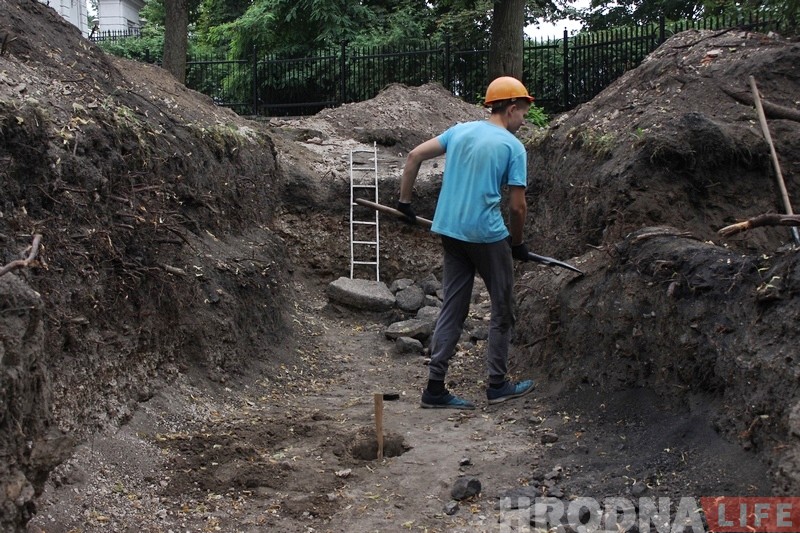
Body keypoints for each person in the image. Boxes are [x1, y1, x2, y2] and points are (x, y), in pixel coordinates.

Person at [397, 76, 536, 410]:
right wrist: (516, 244)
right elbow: (517, 206)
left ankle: (434, 388)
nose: (524, 121)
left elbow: (415, 155)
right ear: (512, 108)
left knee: (453, 308)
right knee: (503, 309)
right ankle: (498, 384)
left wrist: (405, 203)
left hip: (450, 231)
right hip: (487, 236)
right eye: (524, 114)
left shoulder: (459, 130)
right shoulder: (512, 146)